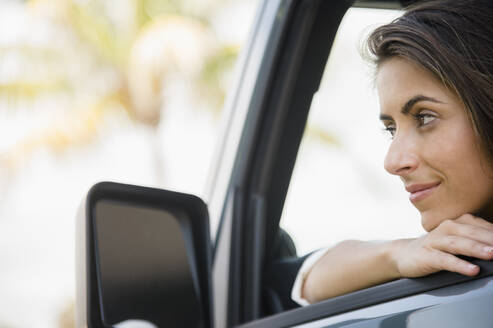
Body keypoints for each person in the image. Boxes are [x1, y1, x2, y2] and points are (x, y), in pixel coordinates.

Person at [289, 0, 493, 306]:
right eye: (391, 129)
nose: (393, 162)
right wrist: (400, 253)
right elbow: (307, 281)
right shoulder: (447, 253)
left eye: (424, 117)